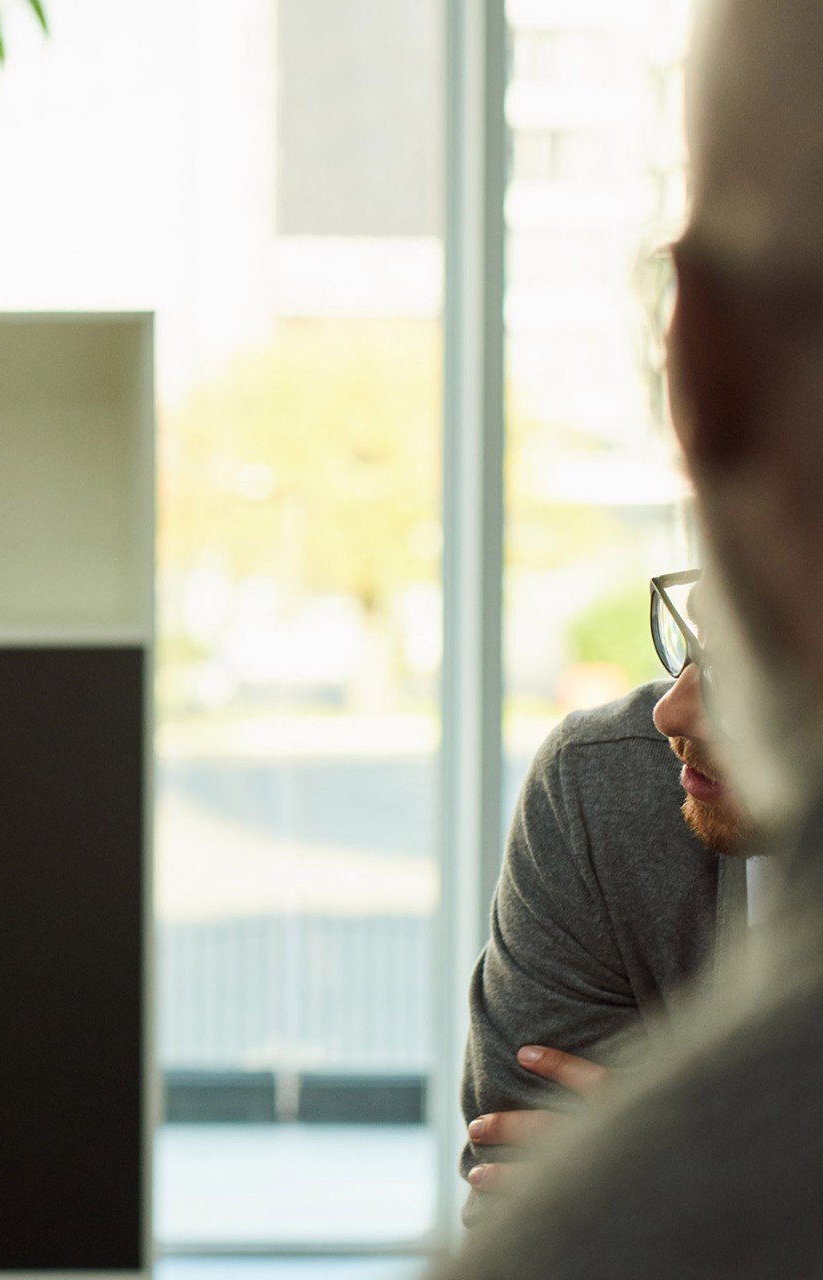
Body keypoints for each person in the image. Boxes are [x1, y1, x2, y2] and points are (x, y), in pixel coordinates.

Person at [433, 0, 823, 1273]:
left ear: (696, 355)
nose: (673, 706)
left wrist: (664, 1169)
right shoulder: (602, 796)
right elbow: (510, 1190)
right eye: (696, 619)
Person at [459, 569, 753, 1221]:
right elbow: (522, 1217)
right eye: (695, 643)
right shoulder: (599, 781)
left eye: (744, 674)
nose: (671, 710)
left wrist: (707, 1177)